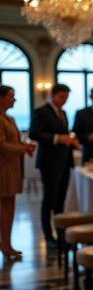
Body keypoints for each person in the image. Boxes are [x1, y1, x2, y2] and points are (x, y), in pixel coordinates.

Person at [29, 83, 78, 246]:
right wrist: (58, 138)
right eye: (61, 97)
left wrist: (70, 140)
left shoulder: (63, 113)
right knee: (49, 199)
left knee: (60, 200)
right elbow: (34, 133)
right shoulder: (41, 111)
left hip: (64, 160)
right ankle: (48, 236)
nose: (64, 100)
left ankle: (61, 234)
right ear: (53, 96)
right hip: (49, 162)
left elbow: (64, 133)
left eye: (66, 97)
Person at [0, 86, 36, 258]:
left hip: (12, 166)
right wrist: (23, 149)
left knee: (9, 205)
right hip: (3, 168)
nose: (14, 99)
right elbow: (2, 145)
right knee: (6, 206)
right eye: (11, 96)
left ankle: (6, 243)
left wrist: (24, 146)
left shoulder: (9, 118)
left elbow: (12, 142)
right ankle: (6, 245)